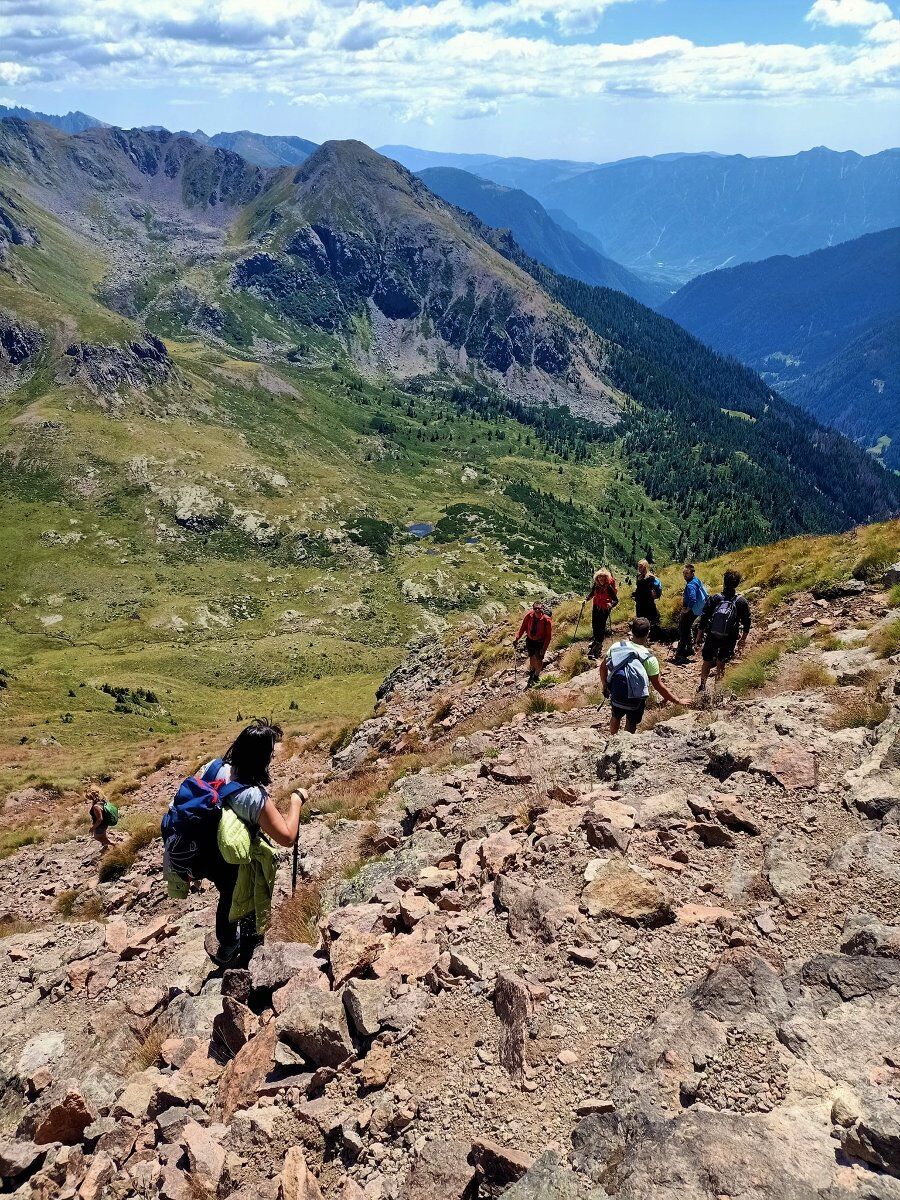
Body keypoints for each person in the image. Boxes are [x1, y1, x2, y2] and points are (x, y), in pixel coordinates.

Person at [194, 721, 306, 966]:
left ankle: (226, 943)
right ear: (262, 758)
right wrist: (296, 801)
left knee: (226, 895)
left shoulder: (213, 767)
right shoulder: (253, 797)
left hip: (210, 853)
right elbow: (287, 837)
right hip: (238, 859)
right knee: (247, 904)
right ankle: (248, 963)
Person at [599, 617, 685, 734]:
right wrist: (678, 701)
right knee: (631, 722)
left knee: (616, 716)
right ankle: (625, 743)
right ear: (648, 633)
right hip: (636, 698)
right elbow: (658, 686)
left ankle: (612, 738)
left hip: (617, 692)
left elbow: (603, 667)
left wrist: (605, 685)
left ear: (631, 631)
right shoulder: (649, 658)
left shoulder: (617, 646)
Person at [696, 569, 752, 691]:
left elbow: (704, 617)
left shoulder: (715, 598)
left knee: (707, 661)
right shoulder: (741, 602)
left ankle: (703, 686)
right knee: (721, 663)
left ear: (724, 582)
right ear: (737, 584)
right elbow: (747, 622)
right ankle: (718, 692)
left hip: (712, 634)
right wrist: (743, 639)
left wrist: (699, 635)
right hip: (730, 637)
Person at [673, 563, 708, 665]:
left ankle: (681, 653)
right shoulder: (696, 580)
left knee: (683, 628)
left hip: (692, 610)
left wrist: (687, 609)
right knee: (687, 628)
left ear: (692, 573)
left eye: (687, 573)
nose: (685, 575)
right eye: (684, 573)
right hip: (698, 609)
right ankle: (690, 648)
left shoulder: (690, 585)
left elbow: (692, 598)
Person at [513, 601, 553, 688]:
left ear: (542, 608)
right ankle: (532, 671)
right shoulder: (529, 615)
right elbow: (523, 627)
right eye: (535, 608)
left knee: (539, 659)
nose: (537, 610)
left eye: (539, 608)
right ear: (533, 609)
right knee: (532, 657)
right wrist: (517, 638)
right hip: (530, 640)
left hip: (540, 642)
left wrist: (544, 649)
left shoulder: (547, 620)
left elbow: (548, 637)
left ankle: (536, 675)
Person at [585, 568, 618, 660]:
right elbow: (591, 594)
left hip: (605, 609)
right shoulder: (596, 585)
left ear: (606, 578)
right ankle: (596, 641)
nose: (601, 580)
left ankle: (598, 646)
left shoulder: (609, 587)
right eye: (599, 578)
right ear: (597, 578)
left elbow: (616, 600)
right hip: (596, 606)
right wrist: (586, 599)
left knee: (601, 626)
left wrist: (611, 604)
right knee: (594, 624)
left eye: (603, 578)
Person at [633, 559, 662, 637]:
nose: (639, 568)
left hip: (648, 601)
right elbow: (639, 587)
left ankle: (650, 635)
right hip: (639, 601)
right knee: (640, 618)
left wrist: (654, 594)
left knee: (649, 618)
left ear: (645, 567)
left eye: (641, 567)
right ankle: (641, 635)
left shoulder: (650, 577)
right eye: (638, 567)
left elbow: (654, 589)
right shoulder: (639, 576)